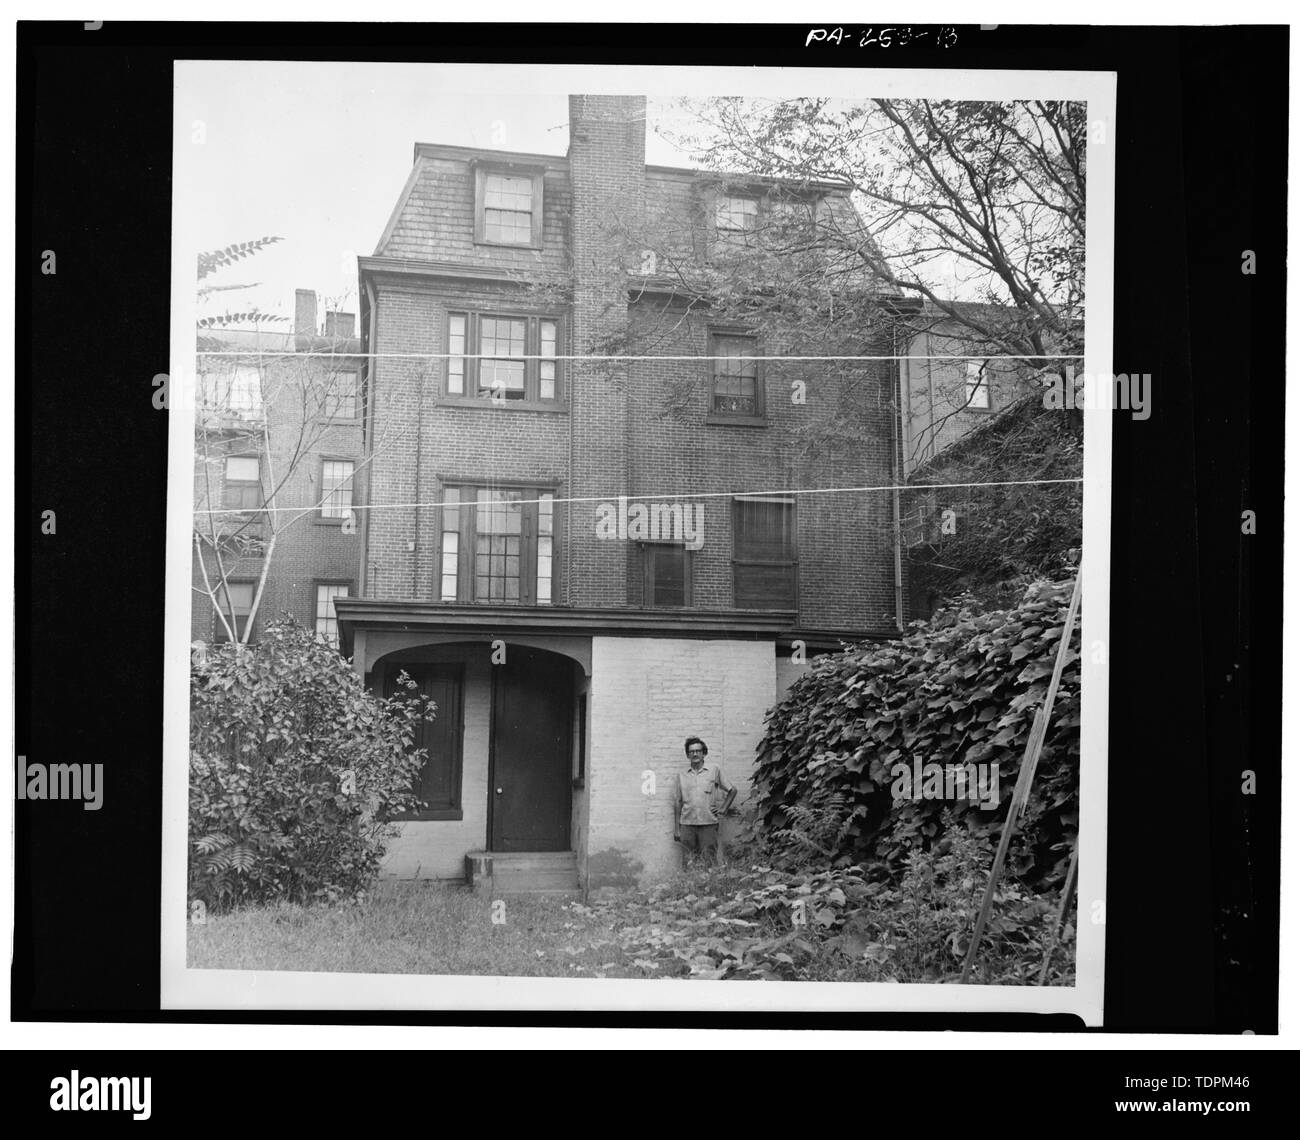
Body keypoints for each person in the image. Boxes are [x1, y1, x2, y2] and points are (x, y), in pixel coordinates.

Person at [672, 735, 736, 866]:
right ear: (688, 755)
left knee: (709, 861)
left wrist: (723, 808)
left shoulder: (714, 770)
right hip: (687, 825)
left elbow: (732, 790)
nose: (695, 754)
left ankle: (708, 886)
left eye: (698, 751)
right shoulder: (681, 775)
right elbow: (678, 802)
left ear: (704, 753)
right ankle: (689, 886)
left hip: (708, 824)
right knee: (688, 862)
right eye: (691, 752)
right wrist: (677, 829)